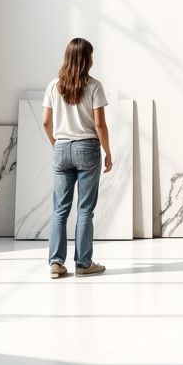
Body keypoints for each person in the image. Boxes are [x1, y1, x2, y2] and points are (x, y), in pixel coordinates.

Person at [42, 37, 112, 279]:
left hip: (61, 148)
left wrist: (56, 144)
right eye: (91, 55)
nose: (93, 59)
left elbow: (45, 122)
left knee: (59, 210)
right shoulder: (94, 86)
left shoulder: (53, 86)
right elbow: (100, 124)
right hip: (87, 148)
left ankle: (56, 264)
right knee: (85, 210)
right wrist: (108, 152)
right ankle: (83, 264)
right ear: (86, 59)